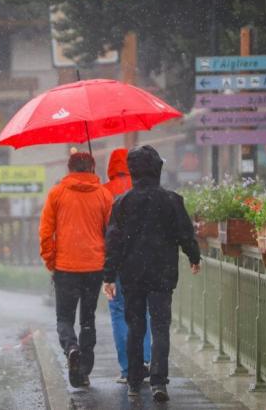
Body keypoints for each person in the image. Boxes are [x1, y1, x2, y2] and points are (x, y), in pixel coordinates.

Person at [103, 145, 201, 402]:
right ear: (157, 169)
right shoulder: (171, 200)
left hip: (132, 275)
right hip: (162, 272)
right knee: (160, 327)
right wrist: (194, 257)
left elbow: (113, 242)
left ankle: (134, 381)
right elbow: (185, 234)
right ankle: (159, 381)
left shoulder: (122, 203)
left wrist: (108, 276)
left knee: (135, 327)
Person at [39, 152, 113, 388]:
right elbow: (111, 233)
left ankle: (71, 347)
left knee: (64, 317)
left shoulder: (57, 193)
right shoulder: (103, 195)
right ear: (92, 168)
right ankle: (84, 369)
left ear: (70, 169)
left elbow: (45, 232)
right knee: (88, 318)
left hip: (65, 267)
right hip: (94, 266)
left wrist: (51, 260)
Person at [103, 148, 152, 384]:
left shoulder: (105, 192)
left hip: (117, 260)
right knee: (143, 311)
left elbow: (106, 231)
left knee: (119, 311)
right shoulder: (143, 188)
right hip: (142, 258)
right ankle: (144, 360)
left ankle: (127, 368)